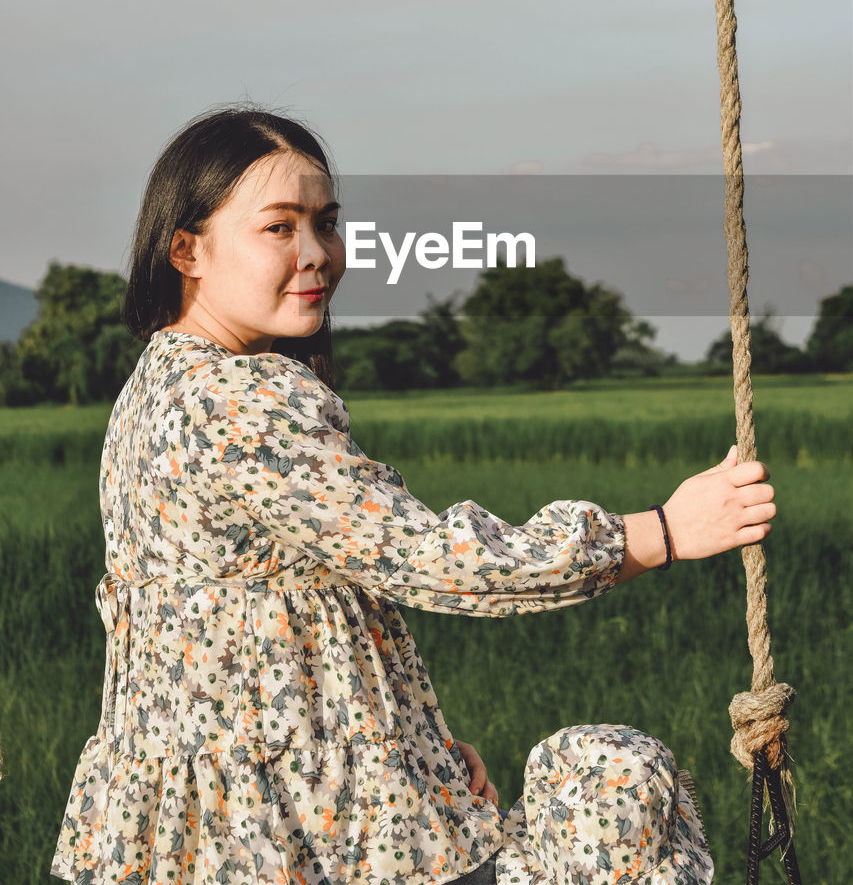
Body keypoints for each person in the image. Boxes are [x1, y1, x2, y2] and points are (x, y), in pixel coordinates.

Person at [51, 106, 776, 885]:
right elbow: (431, 561)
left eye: (325, 224)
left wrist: (405, 752)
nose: (315, 254)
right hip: (286, 838)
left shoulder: (157, 384)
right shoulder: (237, 400)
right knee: (618, 777)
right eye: (278, 227)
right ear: (186, 249)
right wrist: (657, 531)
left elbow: (247, 644)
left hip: (218, 826)